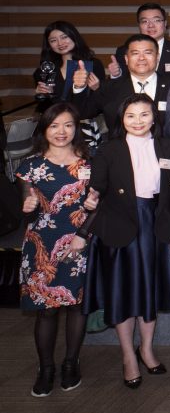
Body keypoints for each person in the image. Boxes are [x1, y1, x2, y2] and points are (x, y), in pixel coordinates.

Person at [84, 94, 170, 388]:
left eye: (144, 115)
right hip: (120, 227)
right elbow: (96, 186)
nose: (138, 121)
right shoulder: (109, 150)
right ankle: (128, 355)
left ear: (154, 117)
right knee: (123, 293)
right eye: (131, 116)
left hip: (156, 225)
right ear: (121, 120)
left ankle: (146, 349)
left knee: (149, 291)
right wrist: (91, 197)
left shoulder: (167, 146)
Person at [17, 103, 93, 397]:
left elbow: (98, 203)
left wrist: (84, 234)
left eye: (68, 125)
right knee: (46, 311)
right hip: (42, 243)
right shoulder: (31, 165)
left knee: (76, 306)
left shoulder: (89, 163)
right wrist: (28, 204)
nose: (61, 132)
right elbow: (25, 199)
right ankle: (45, 367)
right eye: (54, 126)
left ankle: (71, 363)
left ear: (76, 127)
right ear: (44, 130)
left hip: (79, 242)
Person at [72, 34, 170, 137]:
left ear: (157, 57)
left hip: (163, 150)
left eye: (147, 52)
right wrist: (79, 87)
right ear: (126, 59)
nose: (141, 58)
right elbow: (82, 113)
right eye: (135, 53)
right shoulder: (109, 87)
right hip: (119, 150)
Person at [113, 3, 170, 85]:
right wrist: (116, 75)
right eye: (145, 21)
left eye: (156, 20)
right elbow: (116, 87)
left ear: (165, 24)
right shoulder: (124, 51)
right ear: (139, 25)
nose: (150, 25)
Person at [34, 20, 105, 111]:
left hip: (85, 121)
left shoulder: (93, 64)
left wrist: (97, 89)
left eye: (64, 37)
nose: (60, 43)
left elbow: (101, 102)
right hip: (56, 122)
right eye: (53, 40)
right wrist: (41, 96)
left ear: (74, 37)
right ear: (49, 45)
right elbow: (44, 109)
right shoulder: (45, 70)